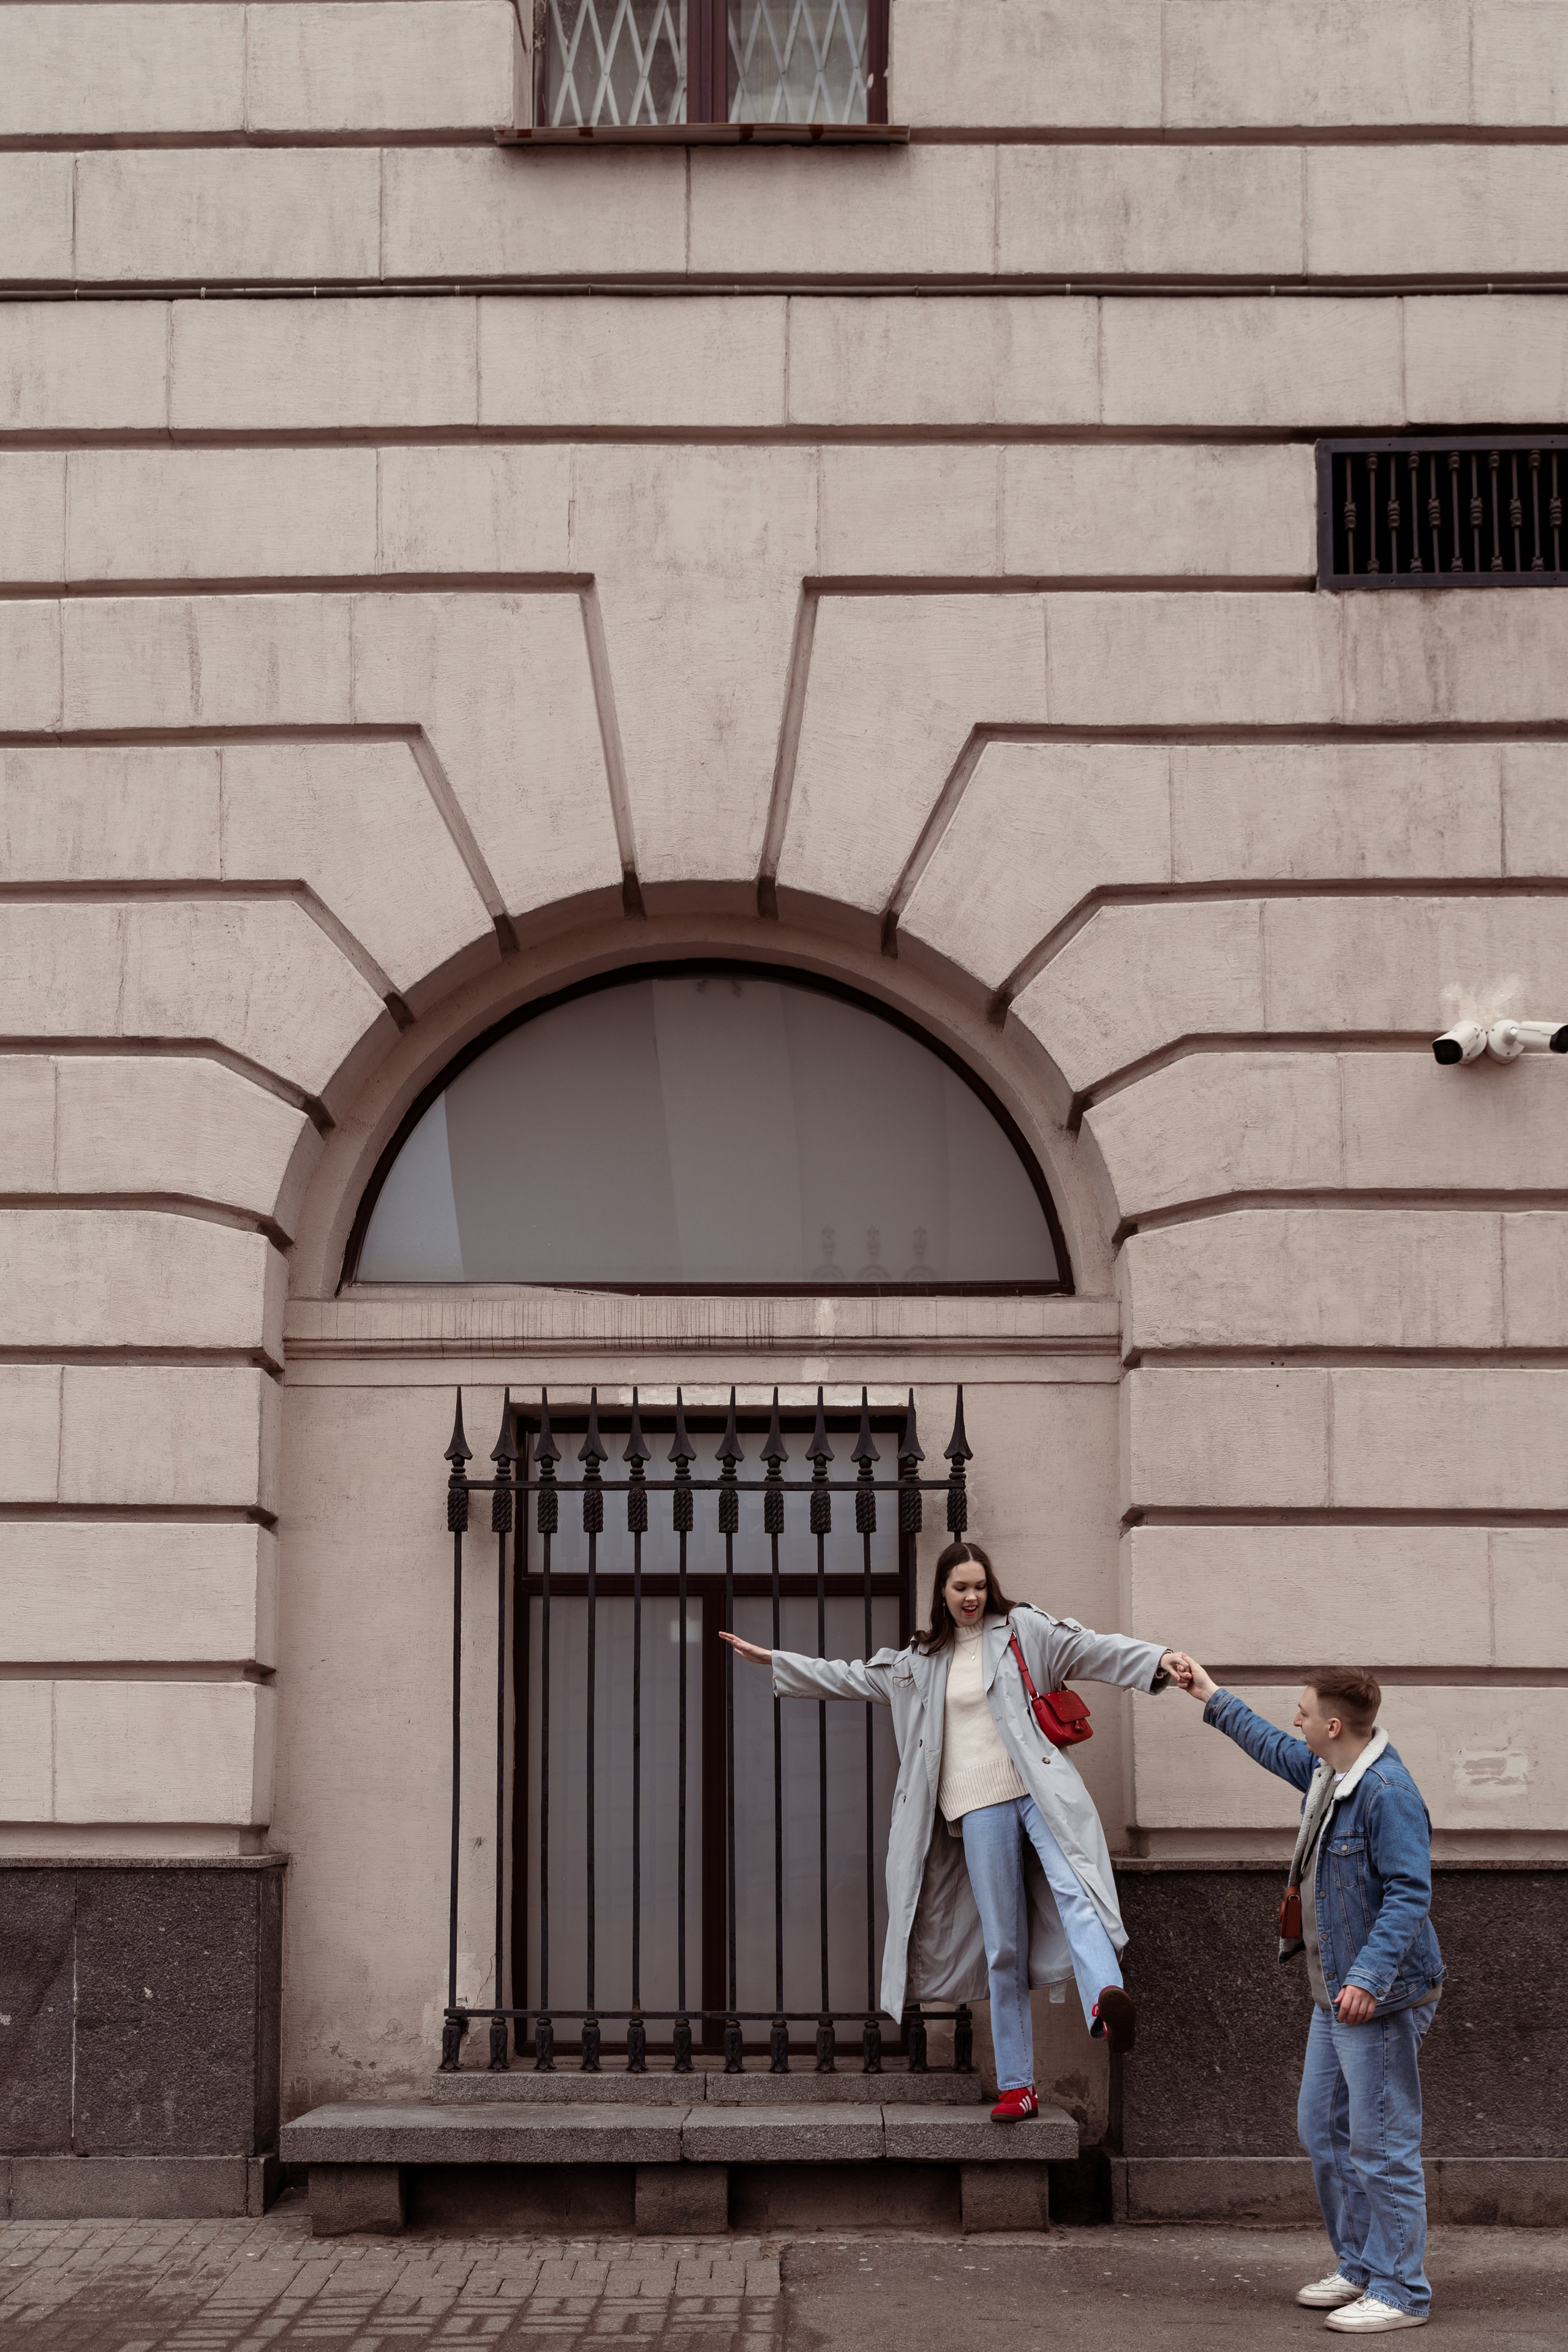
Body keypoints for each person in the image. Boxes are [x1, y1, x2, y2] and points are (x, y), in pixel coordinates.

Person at [718, 1537, 1184, 2122]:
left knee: (1076, 1892)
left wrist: (1157, 1660)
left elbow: (1089, 1649)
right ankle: (1020, 2086)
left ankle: (1103, 2003)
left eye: (979, 1586)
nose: (971, 1596)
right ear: (941, 1591)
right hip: (977, 1807)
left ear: (990, 1589)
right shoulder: (916, 1664)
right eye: (961, 1586)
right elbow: (849, 1678)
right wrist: (774, 1661)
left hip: (1037, 1792)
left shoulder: (1022, 1632)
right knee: (1003, 1944)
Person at [1170, 1657, 1444, 2335]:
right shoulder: (1329, 1774)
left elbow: (1410, 1893)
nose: (1294, 1717)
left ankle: (1403, 2289)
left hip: (1375, 1996)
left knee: (1380, 2144)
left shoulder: (1385, 1791)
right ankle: (1360, 2265)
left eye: (1302, 1709)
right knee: (1322, 2129)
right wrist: (1208, 1694)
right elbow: (1270, 1745)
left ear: (1331, 1722)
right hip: (1336, 1992)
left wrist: (1367, 1979)